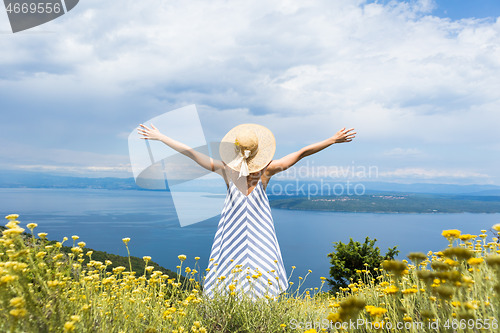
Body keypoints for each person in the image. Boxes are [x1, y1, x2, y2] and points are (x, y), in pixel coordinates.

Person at [138, 123, 356, 298]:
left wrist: (162, 137)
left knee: (228, 278)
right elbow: (302, 153)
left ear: (234, 151)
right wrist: (332, 140)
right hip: (261, 236)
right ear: (259, 152)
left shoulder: (225, 171)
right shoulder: (267, 171)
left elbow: (191, 153)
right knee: (263, 278)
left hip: (231, 235)